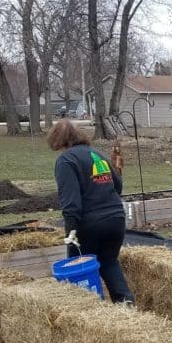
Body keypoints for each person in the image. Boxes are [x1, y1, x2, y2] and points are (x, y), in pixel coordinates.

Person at [47, 120, 134, 304]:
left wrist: (71, 232)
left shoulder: (66, 160)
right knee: (109, 262)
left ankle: (87, 309)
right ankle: (127, 305)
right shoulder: (98, 155)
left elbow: (71, 201)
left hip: (90, 224)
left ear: (59, 141)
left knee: (79, 270)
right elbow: (118, 186)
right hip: (116, 219)